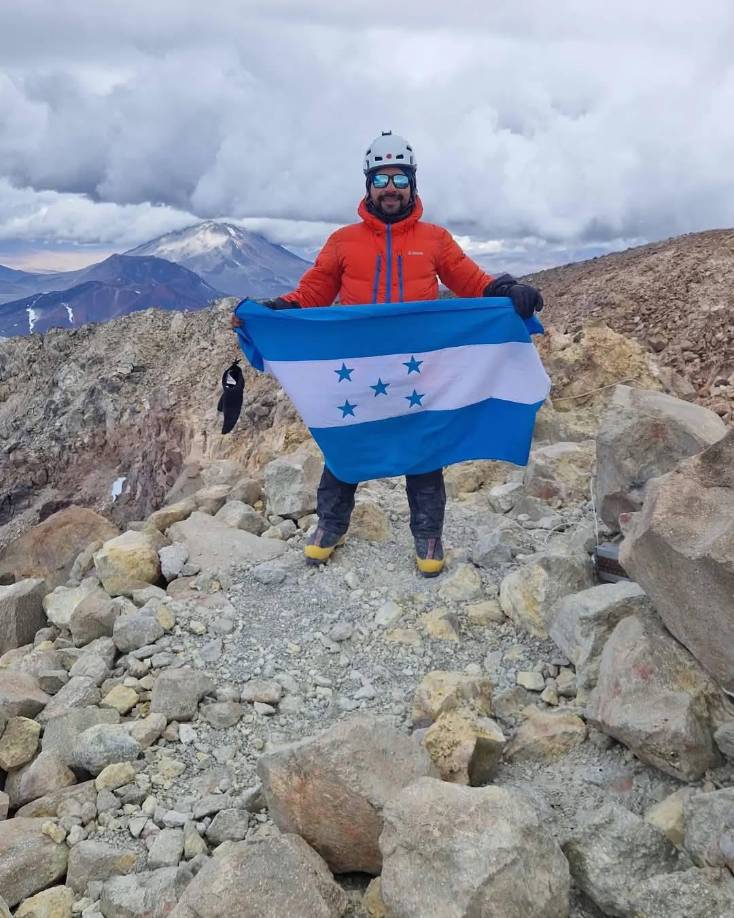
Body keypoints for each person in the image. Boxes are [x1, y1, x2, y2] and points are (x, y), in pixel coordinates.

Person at [231, 131, 543, 576]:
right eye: (381, 179)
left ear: (413, 183)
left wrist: (507, 290)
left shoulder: (435, 239)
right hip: (359, 370)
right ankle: (330, 526)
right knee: (347, 444)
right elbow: (314, 292)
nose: (390, 188)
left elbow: (470, 281)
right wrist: (274, 312)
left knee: (425, 450)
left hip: (420, 370)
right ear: (368, 185)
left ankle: (428, 535)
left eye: (399, 178)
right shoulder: (343, 241)